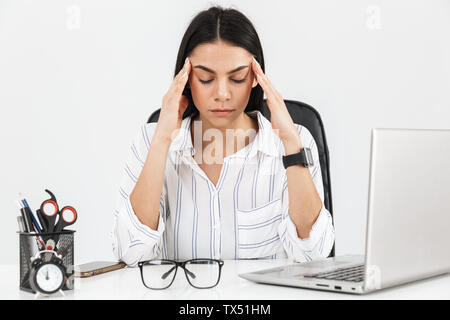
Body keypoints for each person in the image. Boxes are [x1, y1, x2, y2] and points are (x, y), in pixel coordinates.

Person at [112, 6, 334, 266]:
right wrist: (162, 141)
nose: (222, 94)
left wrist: (290, 144)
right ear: (185, 79)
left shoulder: (294, 141)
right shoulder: (151, 140)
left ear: (255, 77)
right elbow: (130, 253)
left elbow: (315, 255)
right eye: (205, 78)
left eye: (237, 78)